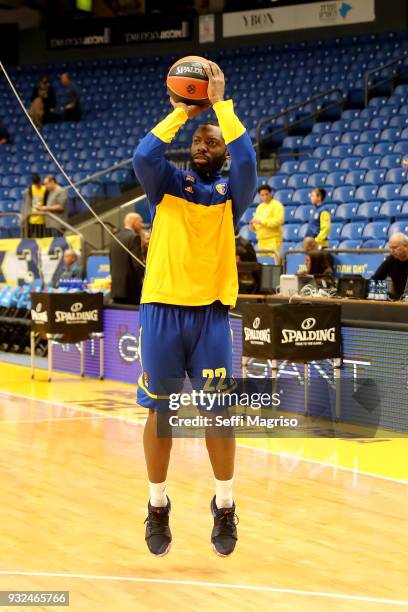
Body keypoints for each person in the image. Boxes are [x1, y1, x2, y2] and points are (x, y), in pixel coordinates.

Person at [133, 61, 257, 557]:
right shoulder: (165, 184)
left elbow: (248, 162)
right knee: (159, 413)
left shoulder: (232, 195)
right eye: (199, 142)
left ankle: (224, 504)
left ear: (223, 151)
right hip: (162, 310)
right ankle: (157, 504)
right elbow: (145, 153)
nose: (204, 147)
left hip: (208, 316)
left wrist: (221, 106)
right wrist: (182, 113)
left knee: (219, 412)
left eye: (214, 142)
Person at [109, 213, 145, 305]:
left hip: (116, 289)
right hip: (130, 291)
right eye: (140, 222)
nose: (142, 225)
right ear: (134, 222)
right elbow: (137, 264)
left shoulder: (115, 237)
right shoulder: (134, 237)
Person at [250, 184, 284, 256]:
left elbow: (278, 221)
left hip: (273, 240)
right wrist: (252, 225)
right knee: (263, 264)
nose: (264, 197)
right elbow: (256, 223)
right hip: (261, 240)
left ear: (271, 193)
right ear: (259, 196)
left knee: (274, 264)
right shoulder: (259, 207)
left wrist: (262, 222)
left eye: (266, 194)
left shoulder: (277, 205)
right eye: (262, 195)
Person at [372, 233, 408, 299]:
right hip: (399, 300)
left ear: (406, 246)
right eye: (390, 248)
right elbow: (376, 279)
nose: (392, 251)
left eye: (395, 247)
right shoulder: (391, 259)